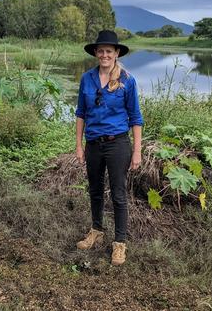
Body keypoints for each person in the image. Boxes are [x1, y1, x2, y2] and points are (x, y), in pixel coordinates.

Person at [74, 30, 143, 266]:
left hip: (118, 145)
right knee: (94, 190)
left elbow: (135, 118)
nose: (104, 54)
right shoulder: (87, 79)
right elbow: (81, 114)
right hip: (93, 145)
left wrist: (137, 151)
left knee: (118, 194)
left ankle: (120, 243)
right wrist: (79, 146)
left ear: (116, 54)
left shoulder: (127, 80)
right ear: (96, 53)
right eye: (101, 51)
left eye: (109, 51)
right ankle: (96, 230)